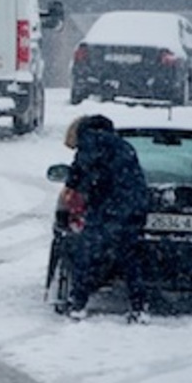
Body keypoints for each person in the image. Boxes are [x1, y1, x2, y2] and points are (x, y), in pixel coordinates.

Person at [62, 114, 150, 323]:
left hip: (108, 207)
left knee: (88, 255)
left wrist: (72, 187)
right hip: (134, 205)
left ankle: (77, 304)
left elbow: (82, 172)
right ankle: (139, 307)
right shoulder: (123, 145)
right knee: (130, 259)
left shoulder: (90, 141)